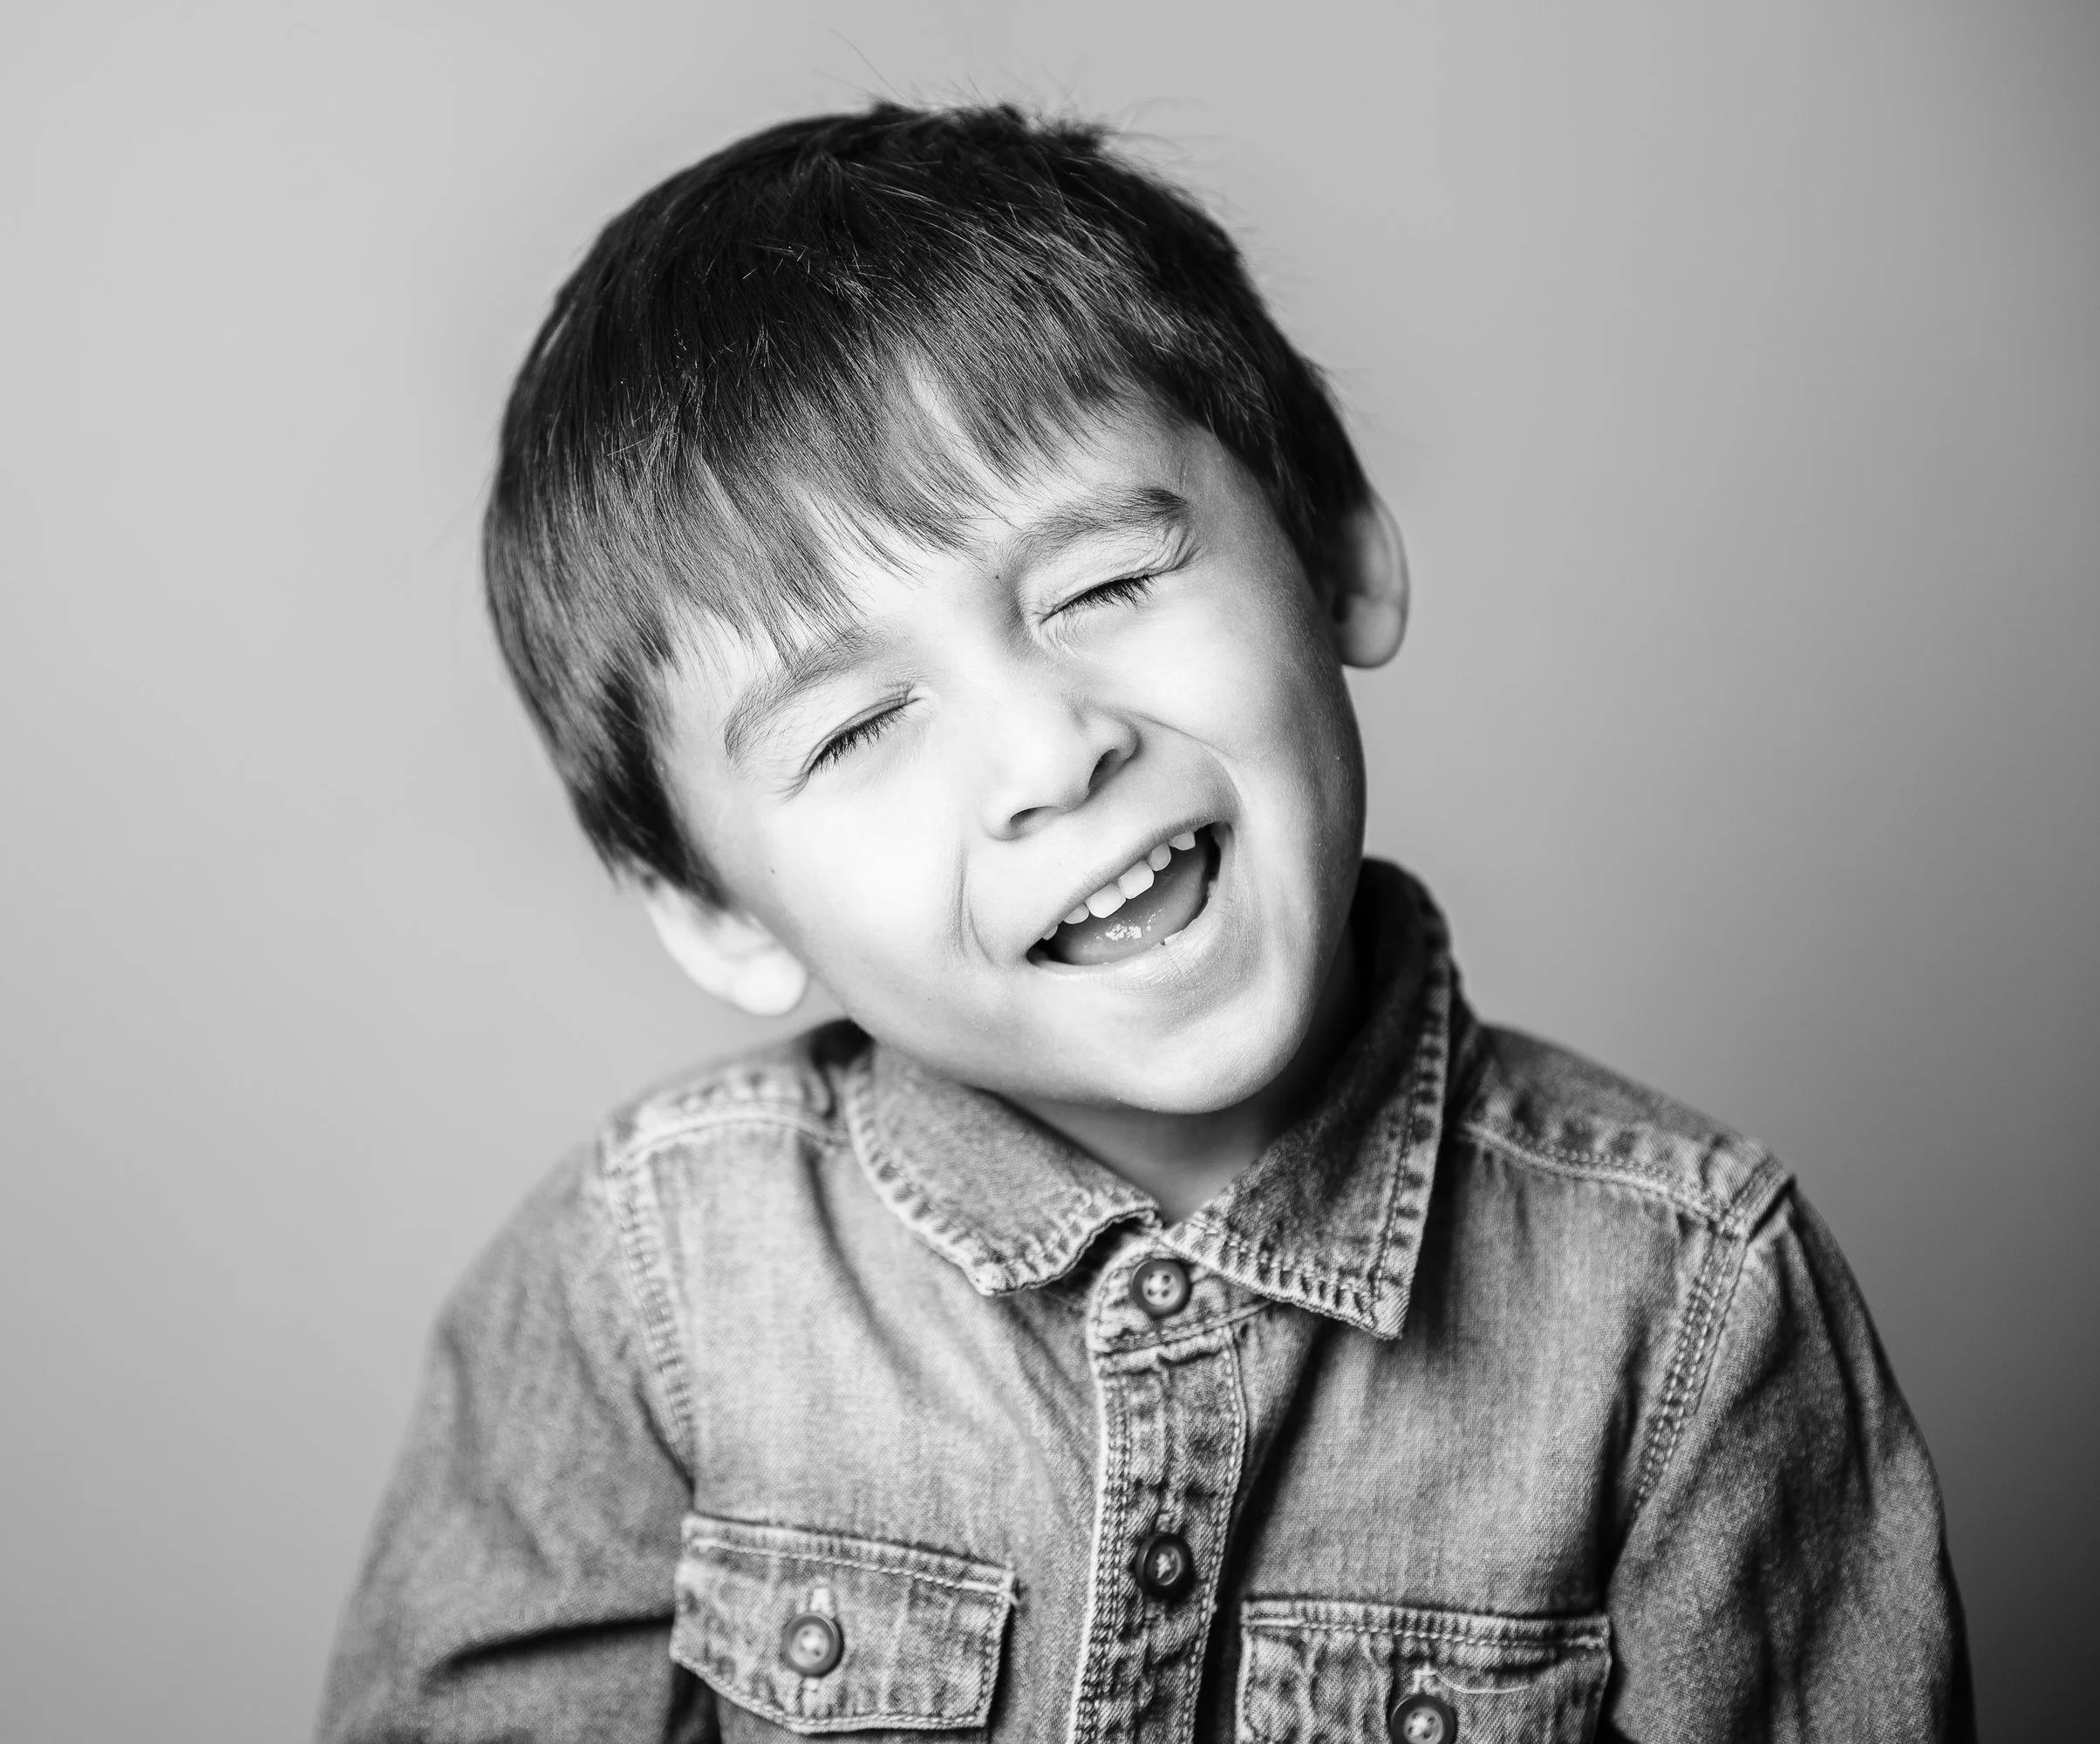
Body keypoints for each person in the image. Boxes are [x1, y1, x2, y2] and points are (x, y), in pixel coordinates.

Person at [318, 102, 1972, 1742]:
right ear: (717, 915)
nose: (1050, 755)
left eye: (1103, 585)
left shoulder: (1688, 1302)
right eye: (855, 727)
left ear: (1336, 554)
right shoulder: (647, 1290)